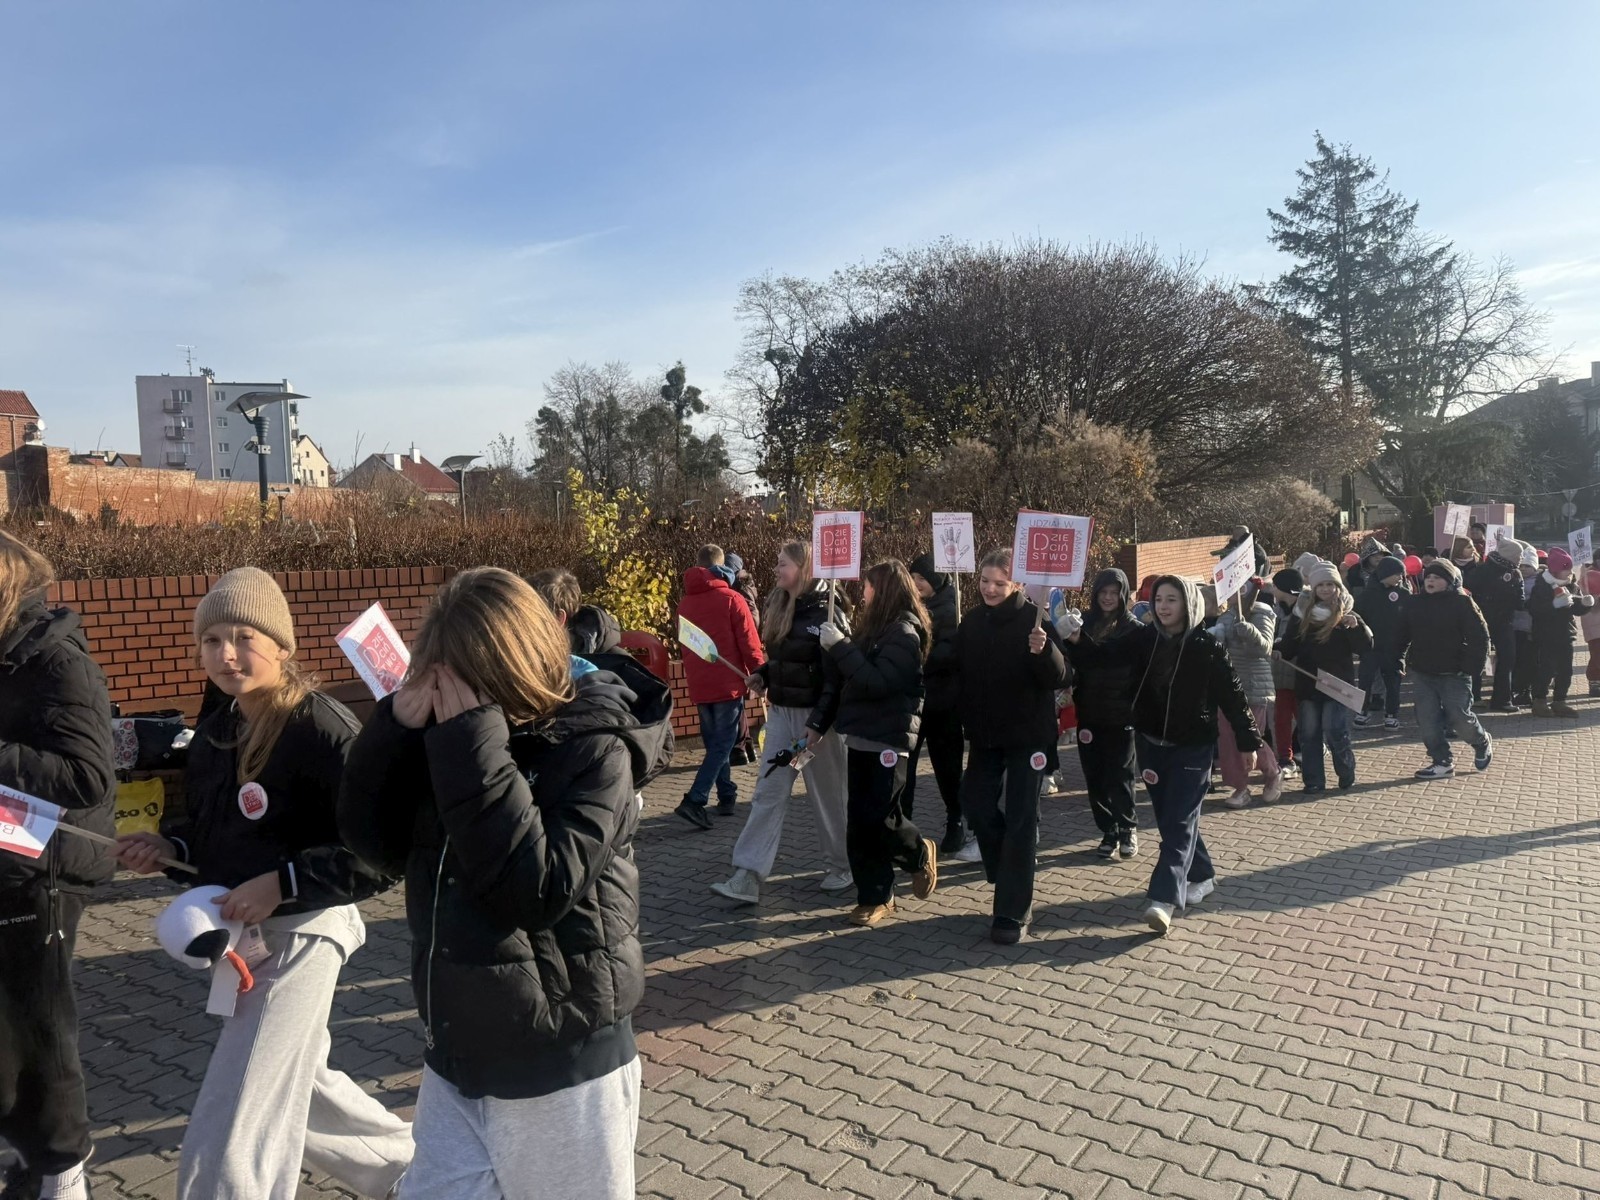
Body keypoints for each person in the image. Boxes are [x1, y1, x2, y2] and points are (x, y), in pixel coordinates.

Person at [338, 569, 647, 1200]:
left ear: (513, 666)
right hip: (458, 1054)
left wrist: (471, 743)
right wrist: (393, 730)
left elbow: (534, 890)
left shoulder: (594, 748)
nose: (446, 693)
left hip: (561, 1059)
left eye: (464, 678)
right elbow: (374, 847)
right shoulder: (448, 740)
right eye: (436, 673)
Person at [115, 567, 412, 1200]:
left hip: (309, 928)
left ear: (281, 644)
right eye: (211, 639)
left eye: (243, 636)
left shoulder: (321, 726)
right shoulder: (220, 728)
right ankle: (409, 1171)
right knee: (298, 1080)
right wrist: (172, 848)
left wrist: (283, 884)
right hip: (245, 935)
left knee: (238, 1110)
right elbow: (222, 837)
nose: (225, 654)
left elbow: (384, 849)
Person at [0, 534, 117, 1200]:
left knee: (39, 1030)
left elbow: (86, 776)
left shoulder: (54, 660)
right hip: (7, 860)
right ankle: (40, 1159)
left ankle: (63, 1172)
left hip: (45, 868)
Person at [1063, 576, 1261, 937]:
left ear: (1188, 604)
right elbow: (1103, 657)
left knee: (1177, 823)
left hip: (1193, 748)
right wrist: (1075, 638)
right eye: (1158, 600)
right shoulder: (1144, 638)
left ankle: (1163, 899)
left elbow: (1233, 698)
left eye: (1172, 600)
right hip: (1152, 745)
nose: (1163, 607)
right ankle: (1202, 875)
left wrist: (1250, 744)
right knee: (1175, 819)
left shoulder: (1207, 646)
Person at [710, 541, 851, 904]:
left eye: (782, 563)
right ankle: (748, 874)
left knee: (828, 798)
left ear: (803, 568)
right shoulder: (780, 604)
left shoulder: (829, 611)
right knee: (768, 791)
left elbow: (836, 677)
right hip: (783, 720)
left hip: (816, 726)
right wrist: (762, 675)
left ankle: (843, 865)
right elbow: (783, 659)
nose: (775, 569)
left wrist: (818, 725)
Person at [953, 550, 1069, 944]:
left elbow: (1062, 676)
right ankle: (1008, 870)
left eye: (998, 583)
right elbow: (961, 675)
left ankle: (1011, 911)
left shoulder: (1034, 621)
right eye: (984, 581)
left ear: (1016, 584)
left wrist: (1045, 651)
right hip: (985, 737)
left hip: (1028, 738)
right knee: (976, 805)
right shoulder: (970, 621)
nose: (989, 588)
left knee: (1021, 820)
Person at [817, 560, 938, 928]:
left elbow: (878, 682)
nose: (863, 593)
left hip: (889, 738)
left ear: (883, 590)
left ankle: (918, 852)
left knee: (883, 818)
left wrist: (840, 648)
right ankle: (875, 895)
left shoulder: (904, 632)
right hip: (861, 735)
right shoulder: (874, 629)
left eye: (868, 587)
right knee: (860, 822)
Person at [673, 545, 765, 827]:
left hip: (700, 686)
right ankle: (695, 799)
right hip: (727, 686)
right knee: (724, 744)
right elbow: (749, 642)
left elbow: (686, 646)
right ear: (722, 566)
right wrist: (760, 673)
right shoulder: (731, 599)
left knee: (715, 744)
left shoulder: (684, 604)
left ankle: (726, 794)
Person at [1056, 568, 1141, 859]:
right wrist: (1065, 634)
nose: (1108, 598)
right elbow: (1076, 662)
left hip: (1122, 715)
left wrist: (1080, 641)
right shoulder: (1084, 623)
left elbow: (1107, 657)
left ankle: (1128, 827)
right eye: (1103, 592)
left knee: (1120, 774)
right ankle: (1108, 830)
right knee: (1095, 776)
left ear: (1123, 595)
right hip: (1089, 713)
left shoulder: (1133, 628)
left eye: (1114, 593)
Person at [1394, 559, 1493, 777]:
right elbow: (1402, 634)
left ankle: (1481, 741)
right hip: (1423, 672)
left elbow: (1480, 637)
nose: (1430, 580)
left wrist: (1471, 666)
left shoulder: (1462, 602)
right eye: (1428, 577)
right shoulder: (1414, 603)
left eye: (1437, 577)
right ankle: (1442, 761)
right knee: (1427, 720)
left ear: (1448, 581)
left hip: (1455, 673)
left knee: (1459, 718)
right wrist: (1398, 658)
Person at [1279, 564, 1372, 794]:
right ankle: (1314, 781)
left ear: (1337, 586)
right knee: (1309, 734)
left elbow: (1365, 648)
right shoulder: (1302, 614)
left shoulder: (1348, 615)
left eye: (1330, 584)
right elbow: (1290, 644)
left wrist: (1355, 628)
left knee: (1334, 730)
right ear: (1313, 588)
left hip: (1337, 684)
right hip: (1308, 682)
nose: (1326, 589)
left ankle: (1346, 769)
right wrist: (1278, 650)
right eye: (1320, 585)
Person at [907, 553, 968, 854]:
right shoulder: (906, 608)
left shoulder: (952, 611)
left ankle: (956, 820)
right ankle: (901, 826)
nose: (917, 584)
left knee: (948, 768)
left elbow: (947, 654)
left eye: (923, 579)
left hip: (944, 703)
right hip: (912, 702)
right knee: (904, 770)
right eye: (914, 578)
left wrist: (917, 657)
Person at [1210, 579, 1283, 808]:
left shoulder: (1262, 613)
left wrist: (1249, 630)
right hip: (1228, 686)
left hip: (1254, 686)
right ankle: (1240, 787)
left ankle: (1272, 773)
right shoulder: (1226, 616)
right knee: (1228, 738)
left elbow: (1265, 648)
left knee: (1252, 736)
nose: (1227, 595)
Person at [1527, 547, 1596, 718]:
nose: (1569, 572)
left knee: (1565, 670)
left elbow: (1576, 609)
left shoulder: (1571, 585)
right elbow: (1534, 609)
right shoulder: (1542, 585)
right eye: (1566, 569)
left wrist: (1586, 604)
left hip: (1566, 634)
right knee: (1546, 669)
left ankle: (1560, 701)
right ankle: (1539, 700)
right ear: (1555, 570)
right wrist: (1553, 606)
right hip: (1546, 635)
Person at [1463, 537, 1526, 713]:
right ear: (1509, 554)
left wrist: (1513, 593)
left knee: (1507, 658)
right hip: (1480, 620)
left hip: (1504, 621)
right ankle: (1473, 697)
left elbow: (1520, 602)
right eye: (1518, 555)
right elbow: (1468, 593)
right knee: (1477, 658)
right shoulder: (1481, 571)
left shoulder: (1515, 573)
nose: (1520, 558)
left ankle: (1502, 699)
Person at [1352, 555, 1410, 729]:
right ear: (1386, 573)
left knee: (1393, 683)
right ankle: (1362, 711)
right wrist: (1361, 644)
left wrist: (1404, 647)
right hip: (1371, 648)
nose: (1401, 577)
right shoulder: (1367, 595)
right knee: (1365, 680)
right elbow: (1356, 618)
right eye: (1397, 574)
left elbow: (1409, 622)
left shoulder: (1404, 595)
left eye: (1402, 574)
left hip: (1394, 649)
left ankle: (1391, 714)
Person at [1265, 568, 1304, 778]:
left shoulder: (1305, 610)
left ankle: (1306, 752)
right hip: (1279, 674)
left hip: (1299, 673)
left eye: (1275, 585)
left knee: (1303, 718)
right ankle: (1284, 758)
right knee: (1280, 718)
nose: (1272, 589)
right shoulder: (1278, 611)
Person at [1511, 544, 1541, 706]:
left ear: (1534, 567)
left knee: (1529, 662)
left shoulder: (1539, 582)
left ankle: (1527, 691)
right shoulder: (1515, 578)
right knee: (1517, 660)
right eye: (1521, 565)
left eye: (1528, 566)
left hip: (1530, 628)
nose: (1523, 569)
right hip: (1515, 627)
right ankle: (1519, 690)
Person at [1583, 550, 1600, 698]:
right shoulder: (1589, 575)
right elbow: (1588, 600)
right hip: (1595, 623)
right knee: (1597, 654)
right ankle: (1594, 682)